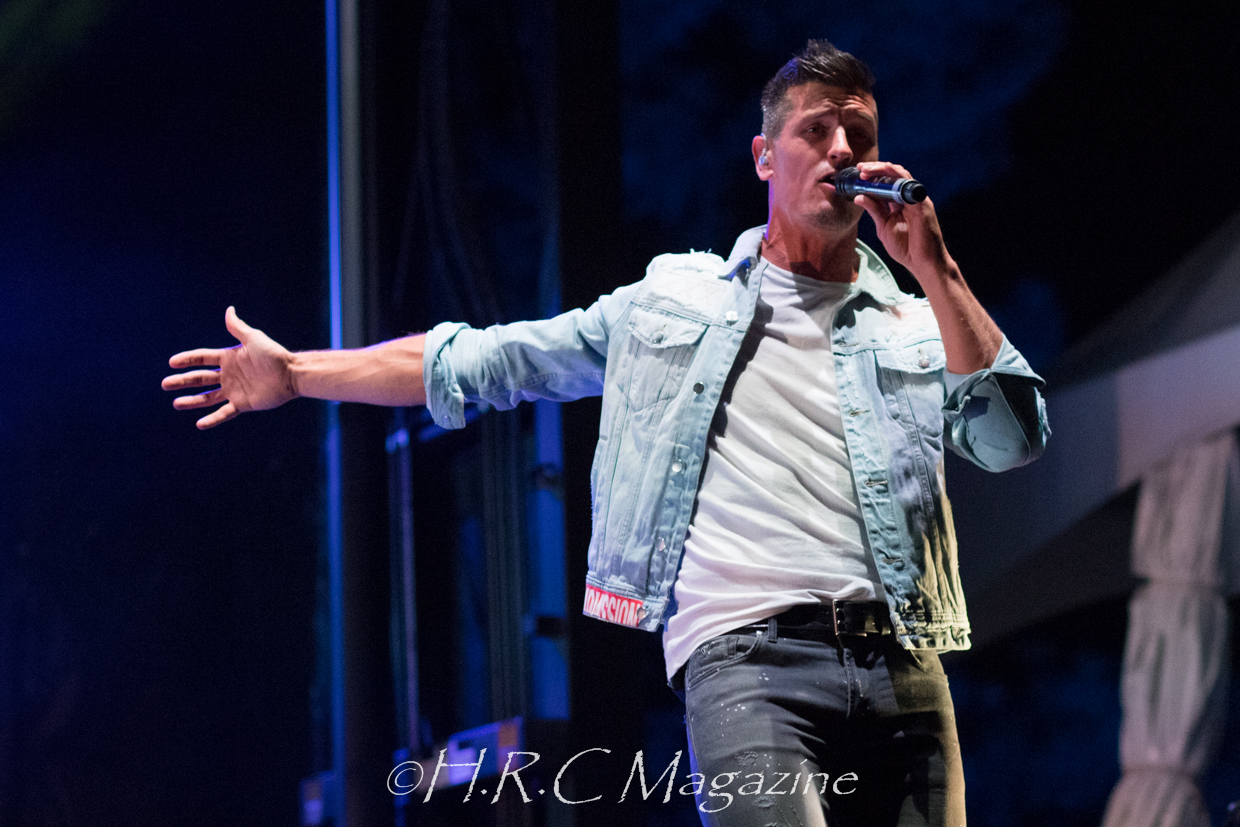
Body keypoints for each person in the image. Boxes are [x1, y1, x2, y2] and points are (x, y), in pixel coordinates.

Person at [164, 39, 1047, 827]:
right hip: (749, 662)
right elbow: (491, 360)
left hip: (904, 664)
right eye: (817, 130)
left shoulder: (914, 320)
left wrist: (935, 267)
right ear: (764, 156)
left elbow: (1015, 440)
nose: (844, 150)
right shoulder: (673, 302)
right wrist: (299, 372)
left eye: (859, 131)